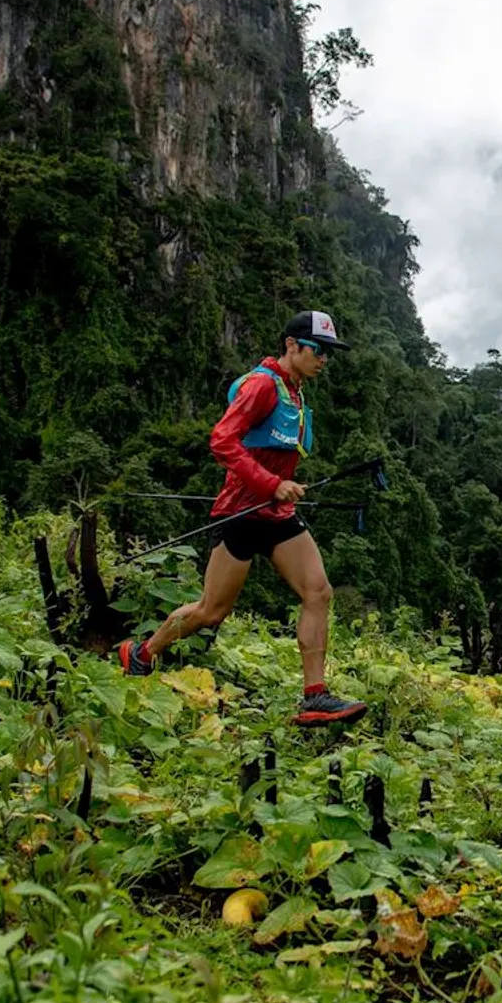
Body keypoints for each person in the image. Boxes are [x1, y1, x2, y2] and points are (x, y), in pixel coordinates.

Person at [116, 310, 369, 726]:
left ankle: (315, 696)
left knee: (318, 593)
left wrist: (279, 488)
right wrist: (270, 483)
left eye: (329, 354)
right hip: (241, 511)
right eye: (318, 350)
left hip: (276, 512)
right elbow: (222, 440)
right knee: (211, 611)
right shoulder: (262, 387)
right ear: (292, 345)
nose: (324, 359)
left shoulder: (297, 393)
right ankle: (141, 654)